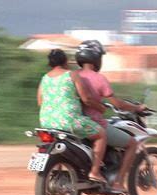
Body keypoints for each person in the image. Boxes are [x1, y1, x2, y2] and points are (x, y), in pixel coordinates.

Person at [75, 40, 147, 193]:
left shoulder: (72, 76)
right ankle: (119, 183)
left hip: (74, 123)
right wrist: (137, 107)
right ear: (96, 59)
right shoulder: (99, 78)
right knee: (133, 143)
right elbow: (117, 103)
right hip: (94, 124)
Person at [37, 49, 108, 183]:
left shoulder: (44, 78)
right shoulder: (72, 75)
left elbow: (40, 102)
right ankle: (95, 172)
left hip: (46, 122)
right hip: (69, 120)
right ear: (65, 62)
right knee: (101, 134)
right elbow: (86, 99)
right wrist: (101, 107)